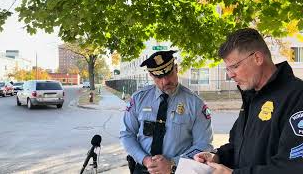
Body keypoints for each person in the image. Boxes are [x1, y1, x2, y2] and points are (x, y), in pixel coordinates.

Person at [194, 28, 303, 174]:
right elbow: (239, 146)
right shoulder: (252, 96)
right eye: (227, 69)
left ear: (257, 58)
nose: (231, 75)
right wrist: (218, 157)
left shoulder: (297, 96)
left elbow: (292, 167)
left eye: (235, 66)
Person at [120, 50, 214, 174]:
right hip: (143, 168)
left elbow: (203, 144)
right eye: (159, 77)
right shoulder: (139, 99)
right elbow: (127, 134)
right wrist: (145, 159)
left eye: (169, 74)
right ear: (151, 75)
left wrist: (173, 163)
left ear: (176, 68)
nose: (165, 81)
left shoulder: (195, 104)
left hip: (178, 170)